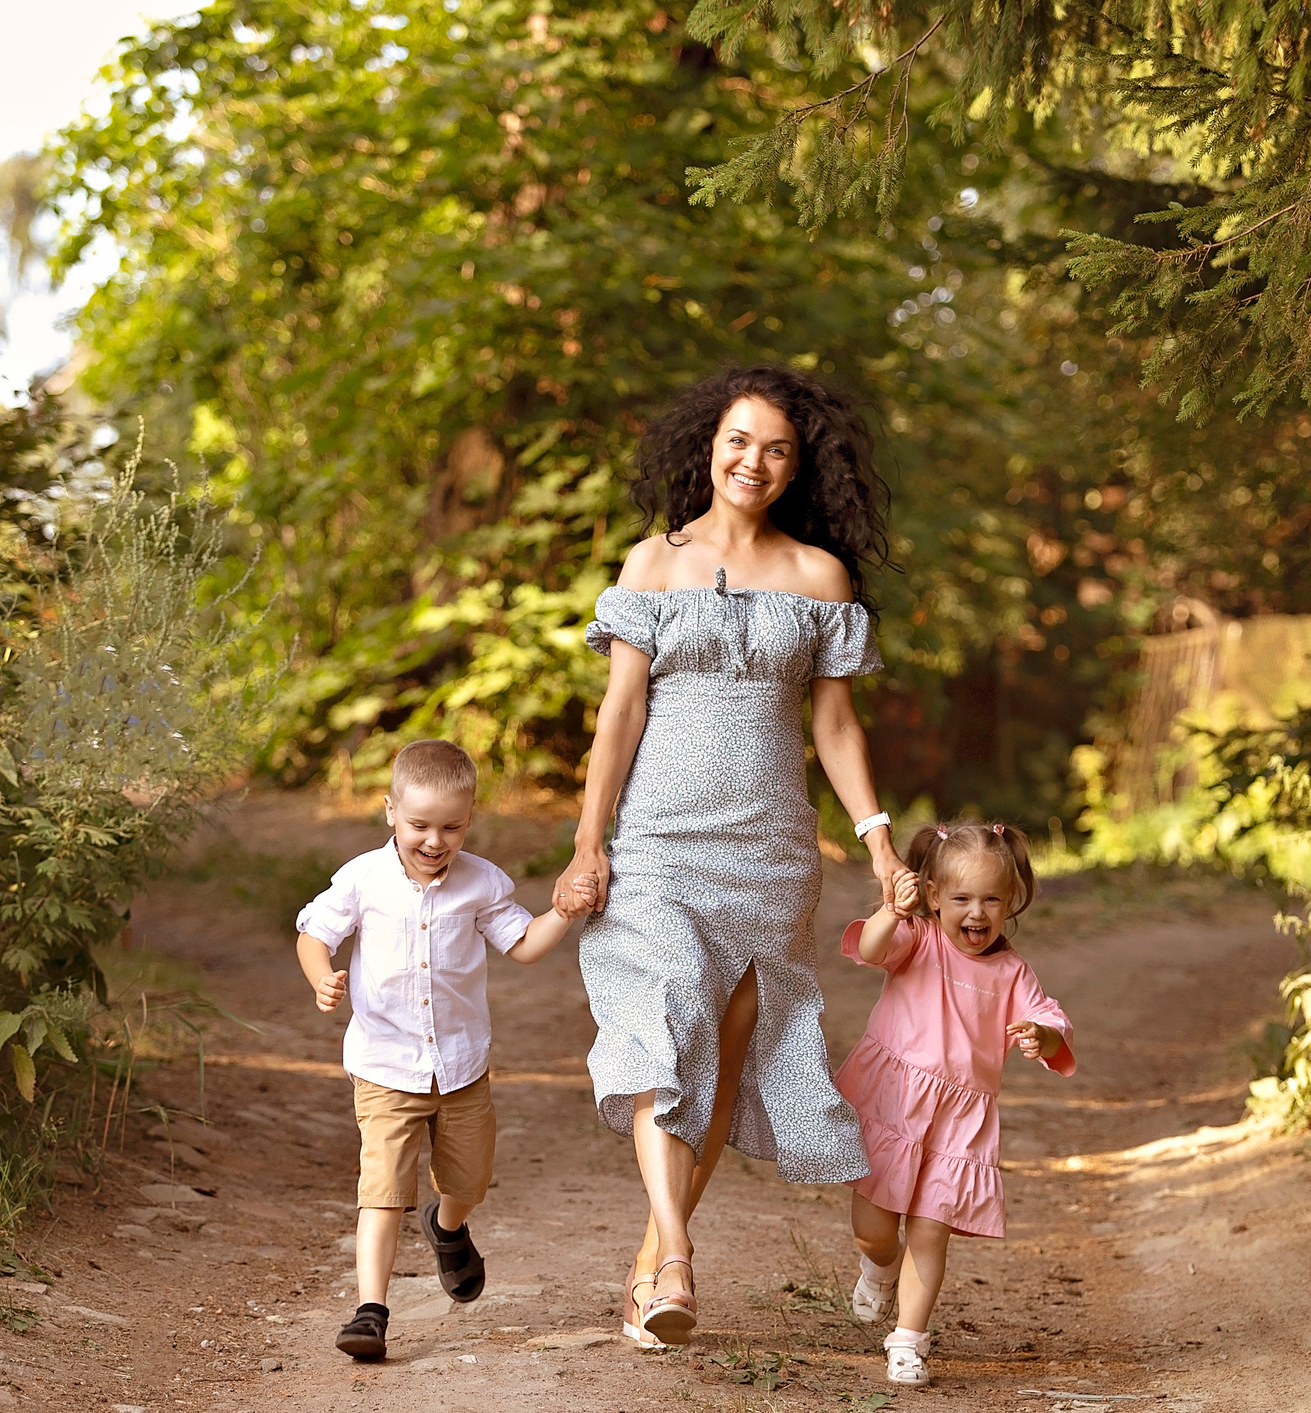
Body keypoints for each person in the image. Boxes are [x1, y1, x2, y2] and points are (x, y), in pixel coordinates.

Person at [559, 365, 907, 1349]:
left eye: (776, 449)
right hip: (660, 844)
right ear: (709, 447)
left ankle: (650, 1267)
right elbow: (619, 714)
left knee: (714, 1058)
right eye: (739, 440)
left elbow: (835, 728)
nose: (754, 461)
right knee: (666, 1023)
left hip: (769, 851)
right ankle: (678, 1256)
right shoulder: (651, 564)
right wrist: (590, 842)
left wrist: (879, 841)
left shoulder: (819, 578)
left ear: (797, 468)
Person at [296, 738, 595, 1361]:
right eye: (419, 826)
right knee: (381, 1190)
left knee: (469, 1181)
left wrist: (563, 913)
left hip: (460, 1066)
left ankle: (447, 1225)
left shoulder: (480, 883)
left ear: (469, 819)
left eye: (452, 828)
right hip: (384, 1065)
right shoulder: (363, 879)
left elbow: (523, 945)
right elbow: (313, 933)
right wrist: (321, 976)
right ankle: (371, 1312)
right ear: (390, 812)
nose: (435, 841)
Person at [839, 821, 1074, 1387]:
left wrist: (1042, 1036)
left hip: (959, 1123)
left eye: (992, 899)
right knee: (874, 1229)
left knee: (930, 1228)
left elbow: (1050, 1020)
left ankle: (908, 1339)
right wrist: (891, 912)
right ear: (934, 894)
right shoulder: (918, 939)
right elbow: (870, 949)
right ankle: (880, 1265)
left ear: (1010, 901)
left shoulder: (1012, 972)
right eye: (963, 898)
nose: (977, 912)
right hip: (896, 1104)